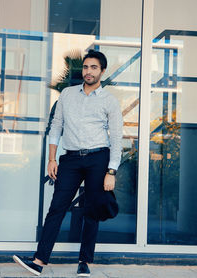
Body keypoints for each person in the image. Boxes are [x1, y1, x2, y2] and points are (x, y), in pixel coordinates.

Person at [13, 49, 123, 277]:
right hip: (70, 159)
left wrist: (111, 170)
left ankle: (84, 261)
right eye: (85, 67)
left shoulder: (110, 101)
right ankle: (39, 261)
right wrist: (52, 159)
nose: (88, 71)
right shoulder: (67, 94)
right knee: (56, 208)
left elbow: (117, 138)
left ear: (102, 71)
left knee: (91, 211)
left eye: (94, 67)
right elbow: (56, 127)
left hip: (98, 158)